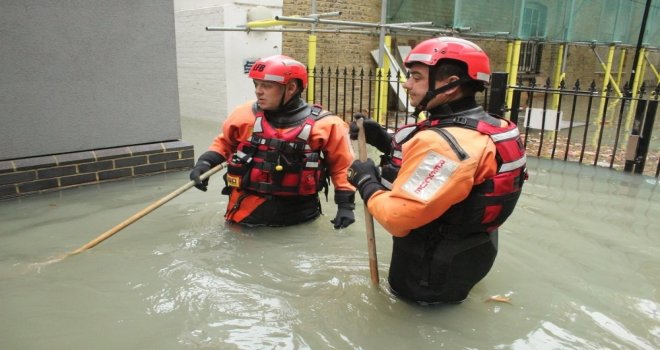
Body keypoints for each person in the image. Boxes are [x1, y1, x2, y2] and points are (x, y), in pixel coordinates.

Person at [348, 37, 527, 304]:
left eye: (416, 77)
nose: (407, 84)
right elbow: (448, 175)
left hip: (429, 269)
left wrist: (366, 182)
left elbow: (398, 218)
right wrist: (382, 139)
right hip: (474, 253)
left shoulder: (443, 143)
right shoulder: (497, 128)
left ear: (450, 84)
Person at [190, 55, 356, 229]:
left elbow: (343, 167)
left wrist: (346, 206)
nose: (258, 91)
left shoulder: (327, 125)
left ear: (291, 88)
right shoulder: (244, 115)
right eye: (256, 84)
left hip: (300, 216)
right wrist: (205, 163)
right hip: (244, 215)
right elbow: (224, 143)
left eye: (266, 86)